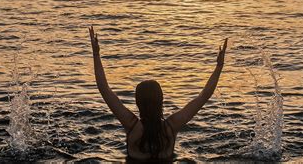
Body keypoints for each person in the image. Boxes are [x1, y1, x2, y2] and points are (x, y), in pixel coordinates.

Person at [89, 26, 228, 162]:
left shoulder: (132, 126)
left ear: (138, 102)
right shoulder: (171, 126)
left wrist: (96, 54)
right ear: (161, 100)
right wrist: (219, 66)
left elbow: (104, 89)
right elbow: (204, 96)